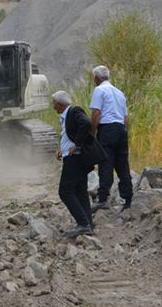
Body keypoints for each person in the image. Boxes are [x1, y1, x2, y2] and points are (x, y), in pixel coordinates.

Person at [88, 65, 133, 212]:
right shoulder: (119, 92)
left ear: (97, 78)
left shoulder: (99, 90)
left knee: (106, 163)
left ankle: (103, 199)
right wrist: (124, 131)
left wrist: (92, 134)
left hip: (107, 129)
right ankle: (127, 199)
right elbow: (126, 117)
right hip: (121, 129)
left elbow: (96, 113)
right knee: (122, 164)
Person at [52, 90, 95, 238]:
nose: (53, 107)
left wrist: (76, 145)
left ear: (60, 103)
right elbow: (69, 133)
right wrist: (62, 149)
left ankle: (83, 224)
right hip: (75, 157)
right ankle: (88, 224)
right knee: (80, 191)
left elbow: (86, 123)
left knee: (64, 191)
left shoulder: (74, 111)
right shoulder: (66, 116)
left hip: (76, 159)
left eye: (54, 104)